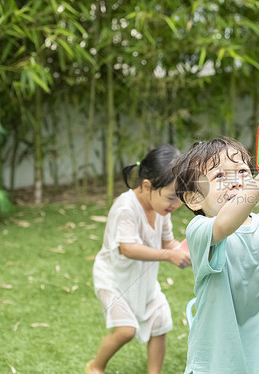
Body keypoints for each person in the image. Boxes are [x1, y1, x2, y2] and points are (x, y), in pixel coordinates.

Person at [172, 137, 259, 374]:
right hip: (213, 365)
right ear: (194, 198)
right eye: (219, 176)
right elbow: (224, 226)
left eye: (241, 171)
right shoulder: (200, 230)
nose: (235, 181)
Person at [86, 145, 192, 374]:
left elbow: (167, 243)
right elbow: (128, 249)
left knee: (160, 321)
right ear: (147, 186)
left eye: (180, 198)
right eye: (172, 197)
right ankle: (95, 367)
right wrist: (169, 255)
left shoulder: (162, 210)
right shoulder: (126, 207)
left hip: (142, 281)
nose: (176, 205)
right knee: (126, 331)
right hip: (113, 279)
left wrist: (184, 251)